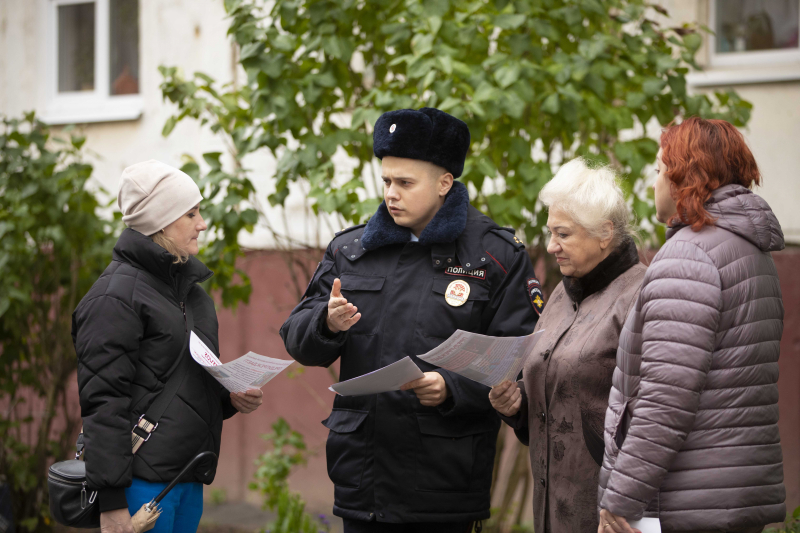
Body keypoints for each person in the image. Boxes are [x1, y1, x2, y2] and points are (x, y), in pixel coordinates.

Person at [280, 108, 540, 532]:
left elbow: (521, 355)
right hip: (362, 485)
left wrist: (452, 388)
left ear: (444, 183)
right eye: (386, 181)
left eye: (405, 183)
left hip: (443, 487)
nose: (391, 194)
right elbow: (296, 338)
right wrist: (326, 324)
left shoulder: (494, 255)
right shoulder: (352, 249)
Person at [597, 117, 786, 533]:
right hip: (730, 495)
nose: (653, 181)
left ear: (685, 177)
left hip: (681, 504)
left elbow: (666, 399)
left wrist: (621, 498)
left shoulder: (689, 256)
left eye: (659, 169)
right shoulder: (749, 251)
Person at [72, 160, 264, 533]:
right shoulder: (114, 298)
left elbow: (183, 380)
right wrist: (112, 504)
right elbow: (103, 404)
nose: (202, 223)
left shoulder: (194, 295)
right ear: (160, 221)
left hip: (186, 477)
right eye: (191, 213)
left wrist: (230, 399)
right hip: (137, 486)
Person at [489, 158, 646, 532]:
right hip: (550, 506)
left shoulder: (639, 294)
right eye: (550, 232)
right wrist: (518, 403)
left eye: (563, 234)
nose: (551, 246)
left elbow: (654, 411)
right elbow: (557, 382)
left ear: (605, 232)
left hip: (609, 507)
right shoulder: (562, 291)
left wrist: (625, 496)